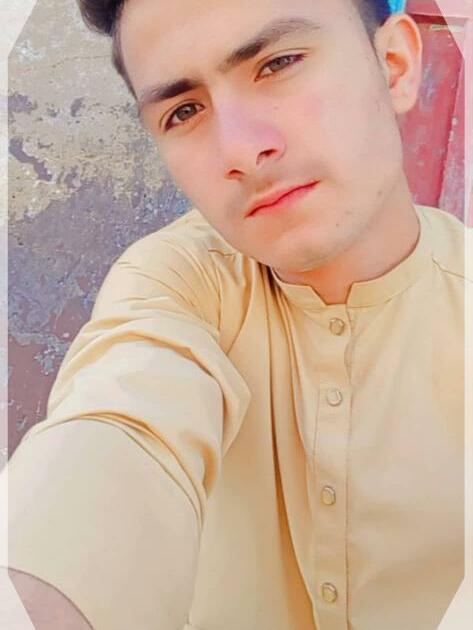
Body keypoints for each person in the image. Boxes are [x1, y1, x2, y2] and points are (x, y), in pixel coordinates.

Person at [2, 0, 468, 628]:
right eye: (184, 111)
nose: (242, 151)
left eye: (278, 63)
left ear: (395, 66)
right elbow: (118, 425)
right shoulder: (175, 282)